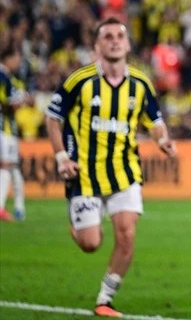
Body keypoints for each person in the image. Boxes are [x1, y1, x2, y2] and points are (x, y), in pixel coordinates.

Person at [45, 17, 177, 318]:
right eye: (108, 36)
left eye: (120, 36)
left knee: (127, 235)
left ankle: (105, 300)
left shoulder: (141, 84)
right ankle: (80, 227)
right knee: (91, 243)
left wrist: (163, 140)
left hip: (124, 170)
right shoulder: (79, 81)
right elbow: (53, 117)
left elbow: (155, 121)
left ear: (128, 45)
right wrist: (61, 156)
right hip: (84, 174)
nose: (115, 41)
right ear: (97, 46)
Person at [0, 46, 27, 222]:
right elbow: (6, 104)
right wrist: (18, 103)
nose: (18, 62)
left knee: (12, 167)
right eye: (16, 59)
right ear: (8, 58)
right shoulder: (2, 76)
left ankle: (18, 207)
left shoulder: (10, 77)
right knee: (6, 166)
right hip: (4, 129)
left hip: (9, 129)